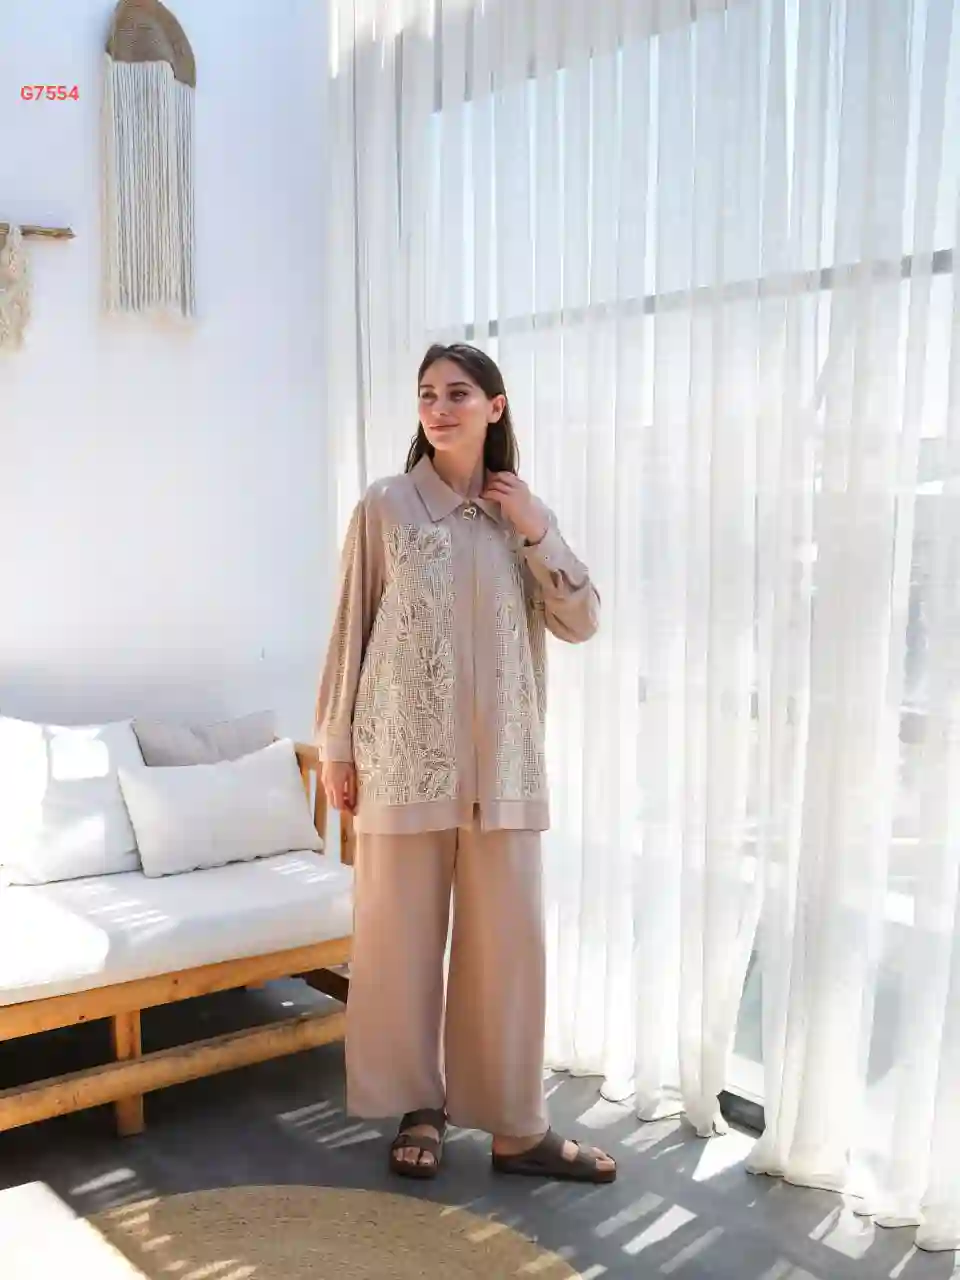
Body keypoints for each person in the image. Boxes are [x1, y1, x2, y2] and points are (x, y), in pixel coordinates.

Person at [315, 342, 616, 1184]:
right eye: (427, 395)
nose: (440, 408)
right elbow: (349, 628)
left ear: (495, 406)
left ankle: (517, 1129)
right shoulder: (386, 504)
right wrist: (336, 745)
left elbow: (582, 621)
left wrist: (539, 529)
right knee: (398, 949)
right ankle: (419, 1107)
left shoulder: (520, 516)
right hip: (400, 763)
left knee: (507, 956)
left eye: (457, 393)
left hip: (504, 773)